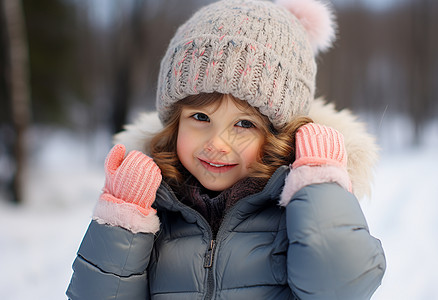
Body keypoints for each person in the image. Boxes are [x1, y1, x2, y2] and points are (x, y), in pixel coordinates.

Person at [66, 0, 386, 299]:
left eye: (244, 124)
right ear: (175, 121)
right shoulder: (156, 206)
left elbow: (339, 287)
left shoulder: (296, 210)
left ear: (279, 134)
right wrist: (124, 221)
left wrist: (320, 185)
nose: (217, 143)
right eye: (201, 117)